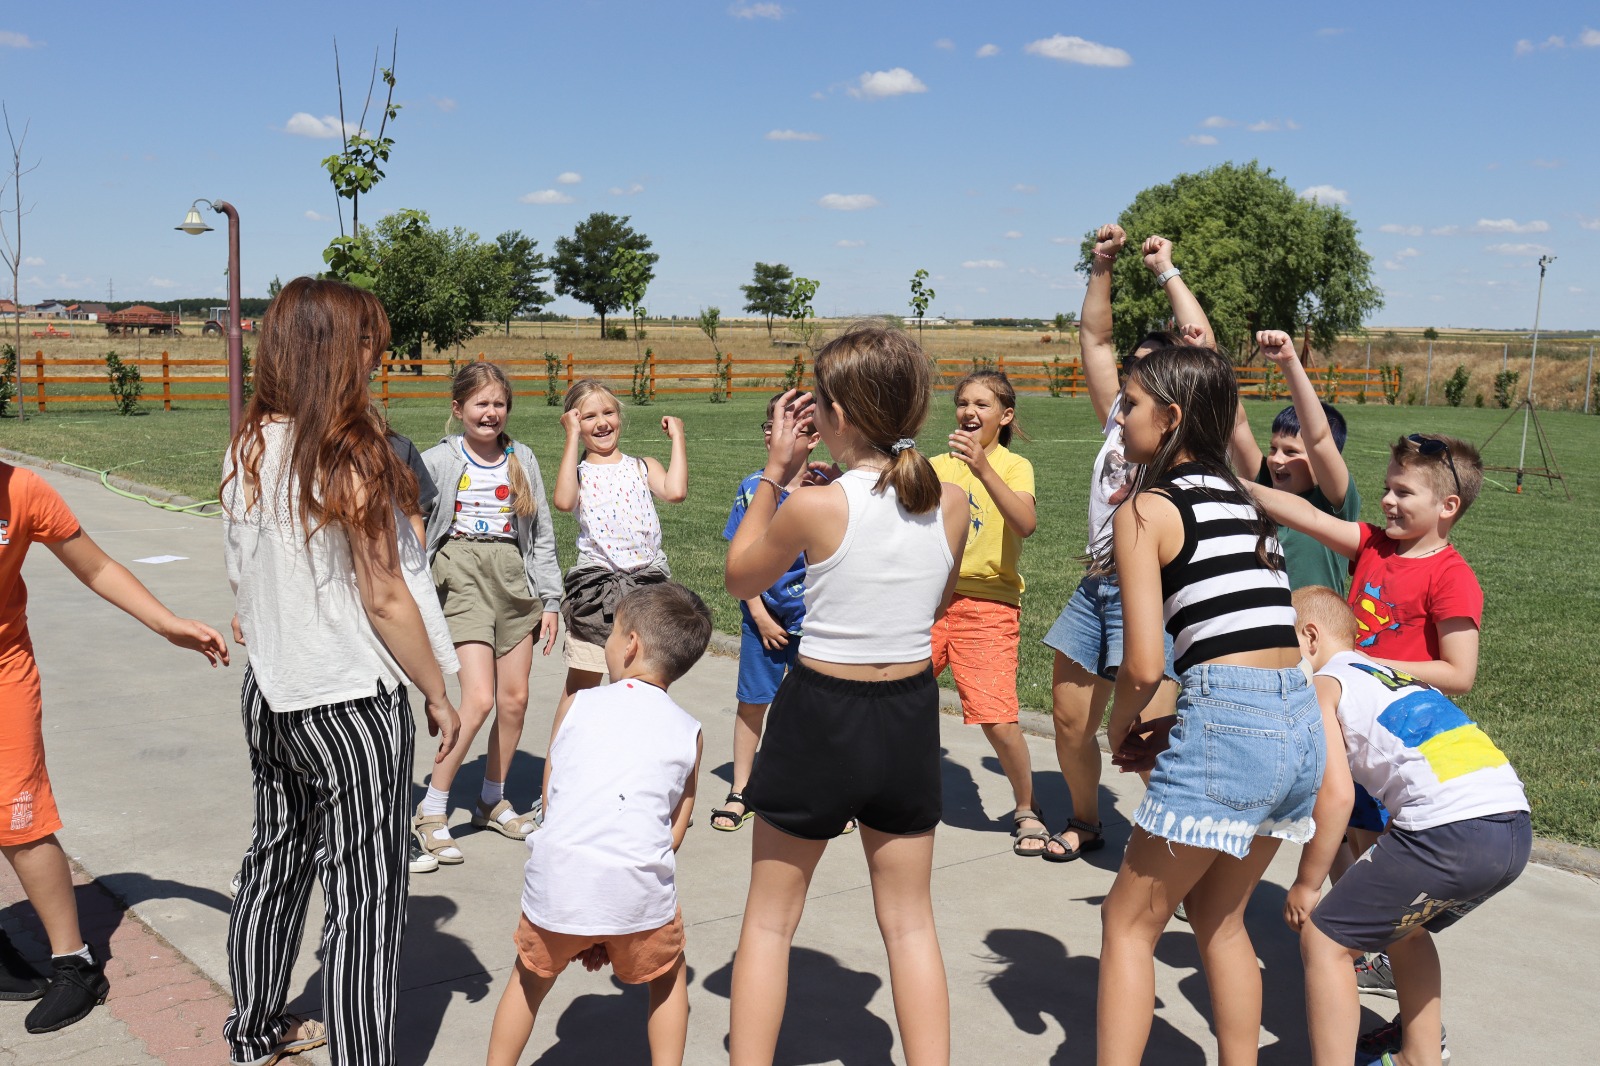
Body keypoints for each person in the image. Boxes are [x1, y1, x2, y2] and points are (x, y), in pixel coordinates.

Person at [221, 276, 461, 1066]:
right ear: (334, 351)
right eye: (367, 343)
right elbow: (385, 595)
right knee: (366, 896)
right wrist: (437, 690)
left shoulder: (250, 443)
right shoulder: (350, 451)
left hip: (272, 690)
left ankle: (254, 1031)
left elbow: (241, 577)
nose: (375, 358)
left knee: (274, 864)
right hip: (350, 699)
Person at [725, 324, 968, 1066]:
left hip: (821, 712)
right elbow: (936, 599)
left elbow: (740, 575)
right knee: (911, 924)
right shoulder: (953, 502)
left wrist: (777, 472)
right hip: (907, 715)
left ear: (837, 415)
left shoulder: (814, 506)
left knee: (769, 922)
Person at [1095, 344, 1324, 1066]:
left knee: (1127, 924)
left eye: (1130, 404)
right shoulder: (1244, 499)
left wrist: (1119, 726)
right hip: (1298, 726)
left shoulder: (1148, 508)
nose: (1119, 416)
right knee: (1219, 917)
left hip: (1232, 723)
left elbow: (1143, 663)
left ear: (1169, 418)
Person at [0, 463, 227, 1034]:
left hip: (3, 671)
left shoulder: (22, 490)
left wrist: (165, 623)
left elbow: (97, 566)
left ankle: (75, 965)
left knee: (19, 815)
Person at [1285, 587, 1529, 1066]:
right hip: (1512, 831)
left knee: (1324, 938)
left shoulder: (1323, 686)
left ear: (1310, 637)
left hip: (1449, 833)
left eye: (1281, 643)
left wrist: (1307, 883)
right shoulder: (1398, 677)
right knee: (1404, 929)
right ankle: (1419, 1056)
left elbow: (1336, 797)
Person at [485, 583, 710, 1066]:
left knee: (528, 981)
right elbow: (673, 834)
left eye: (611, 632)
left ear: (630, 645)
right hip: (637, 894)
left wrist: (588, 923)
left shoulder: (578, 704)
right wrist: (612, 922)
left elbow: (553, 802)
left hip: (559, 886)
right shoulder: (688, 731)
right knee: (668, 977)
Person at [1040, 225, 1205, 862]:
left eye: (1147, 369)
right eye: (1131, 368)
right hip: (1097, 584)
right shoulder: (1118, 418)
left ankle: (1181, 859)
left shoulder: (1188, 429)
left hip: (1156, 593)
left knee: (1148, 740)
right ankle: (1087, 820)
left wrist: (1166, 270)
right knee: (1069, 722)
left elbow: (1199, 341)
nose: (1131, 374)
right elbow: (1095, 337)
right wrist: (1101, 264)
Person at [411, 362, 563, 865]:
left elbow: (541, 533)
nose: (491, 412)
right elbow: (410, 521)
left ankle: (490, 800)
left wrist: (551, 599)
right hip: (461, 574)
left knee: (514, 699)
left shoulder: (523, 458)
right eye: (481, 403)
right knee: (477, 699)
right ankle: (431, 809)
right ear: (459, 409)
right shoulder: (438, 459)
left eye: (499, 403)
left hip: (514, 580)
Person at [928, 370, 1044, 855]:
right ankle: (866, 791)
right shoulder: (935, 466)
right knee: (890, 695)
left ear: (1005, 415)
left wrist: (982, 469)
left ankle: (1026, 809)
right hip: (931, 602)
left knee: (997, 718)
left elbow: (1025, 523)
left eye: (982, 404)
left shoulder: (1014, 467)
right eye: (962, 403)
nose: (969, 411)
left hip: (988, 607)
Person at [549, 380, 687, 759]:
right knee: (582, 684)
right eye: (588, 416)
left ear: (619, 417)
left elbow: (675, 491)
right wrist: (571, 437)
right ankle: (559, 765)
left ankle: (630, 762)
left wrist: (678, 437)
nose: (601, 422)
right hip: (597, 592)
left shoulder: (643, 466)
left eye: (608, 412)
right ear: (574, 422)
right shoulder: (579, 473)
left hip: (646, 588)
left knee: (641, 683)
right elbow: (563, 501)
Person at [710, 394, 821, 834]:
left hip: (816, 625)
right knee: (753, 703)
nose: (775, 433)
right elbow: (740, 559)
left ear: (815, 438)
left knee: (816, 711)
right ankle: (742, 789)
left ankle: (819, 790)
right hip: (763, 621)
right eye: (771, 425)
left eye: (790, 426)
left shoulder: (827, 489)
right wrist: (758, 615)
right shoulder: (753, 488)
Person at [1228, 329, 1360, 594]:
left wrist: (1289, 362)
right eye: (1273, 448)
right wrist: (1204, 353)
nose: (1276, 459)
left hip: (1316, 621)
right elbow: (1235, 421)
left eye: (1291, 452)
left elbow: (1319, 439)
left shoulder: (1333, 505)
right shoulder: (1265, 486)